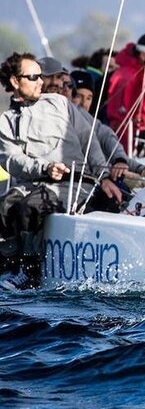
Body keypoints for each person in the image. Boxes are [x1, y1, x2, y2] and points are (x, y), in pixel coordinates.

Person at [0, 53, 125, 288]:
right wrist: (44, 168)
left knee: (29, 208)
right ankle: (10, 266)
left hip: (77, 183)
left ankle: (29, 271)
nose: (41, 81)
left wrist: (105, 176)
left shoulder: (60, 104)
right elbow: (12, 160)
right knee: (4, 206)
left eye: (41, 76)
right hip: (38, 182)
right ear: (16, 82)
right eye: (34, 76)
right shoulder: (6, 121)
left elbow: (89, 139)